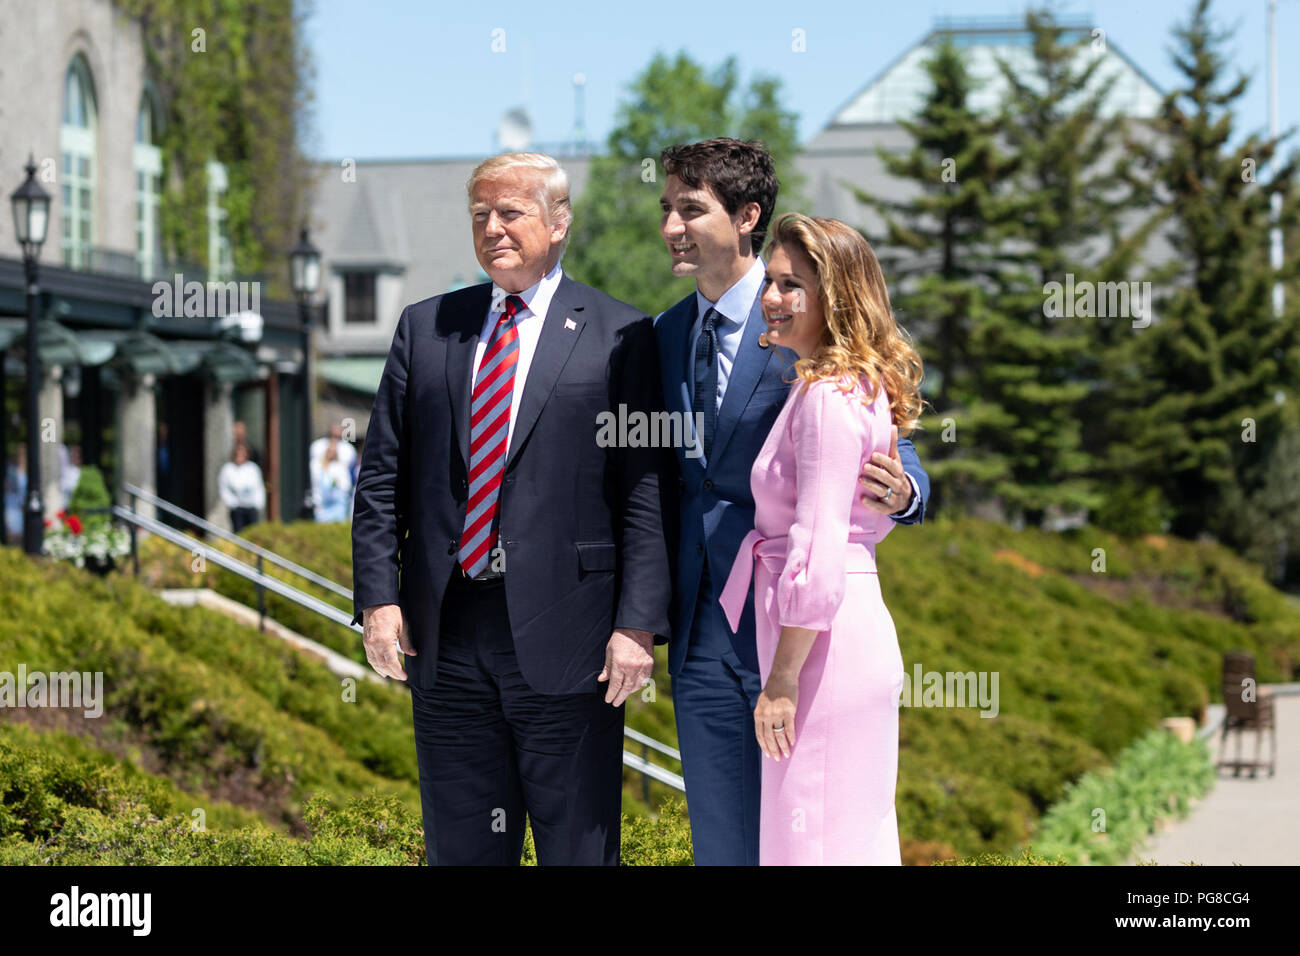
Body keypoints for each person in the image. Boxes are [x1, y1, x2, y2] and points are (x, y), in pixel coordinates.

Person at [351, 151, 671, 866]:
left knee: (579, 855)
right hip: (445, 639)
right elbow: (381, 480)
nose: (493, 228)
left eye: (510, 212)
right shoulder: (425, 328)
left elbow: (644, 492)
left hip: (574, 642)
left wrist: (637, 625)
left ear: (559, 224)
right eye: (479, 216)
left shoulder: (622, 333)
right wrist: (377, 600)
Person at [652, 138, 930, 865]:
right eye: (666, 210)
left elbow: (894, 458)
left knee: (812, 836)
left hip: (797, 631)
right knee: (729, 843)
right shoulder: (663, 334)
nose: (671, 228)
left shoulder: (811, 339)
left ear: (746, 217)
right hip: (700, 626)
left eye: (690, 209)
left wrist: (904, 493)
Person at [718, 213, 921, 864]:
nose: (770, 299)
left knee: (811, 845)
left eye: (791, 286)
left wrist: (779, 684)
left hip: (822, 655)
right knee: (847, 843)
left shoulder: (829, 397)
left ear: (833, 297)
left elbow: (819, 551)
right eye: (770, 282)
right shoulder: (859, 387)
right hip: (842, 642)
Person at [217, 442, 265, 532]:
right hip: (237, 509)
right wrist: (232, 503)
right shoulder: (228, 469)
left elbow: (259, 488)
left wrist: (258, 504)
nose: (240, 456)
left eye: (243, 453)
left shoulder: (253, 468)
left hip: (251, 508)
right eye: (238, 453)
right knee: (239, 532)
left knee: (253, 533)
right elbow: (223, 488)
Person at [311, 438, 353, 522]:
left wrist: (337, 484)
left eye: (334, 451)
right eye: (330, 451)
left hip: (338, 504)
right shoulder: (317, 466)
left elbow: (346, 485)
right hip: (323, 505)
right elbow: (316, 486)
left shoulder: (340, 467)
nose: (332, 453)